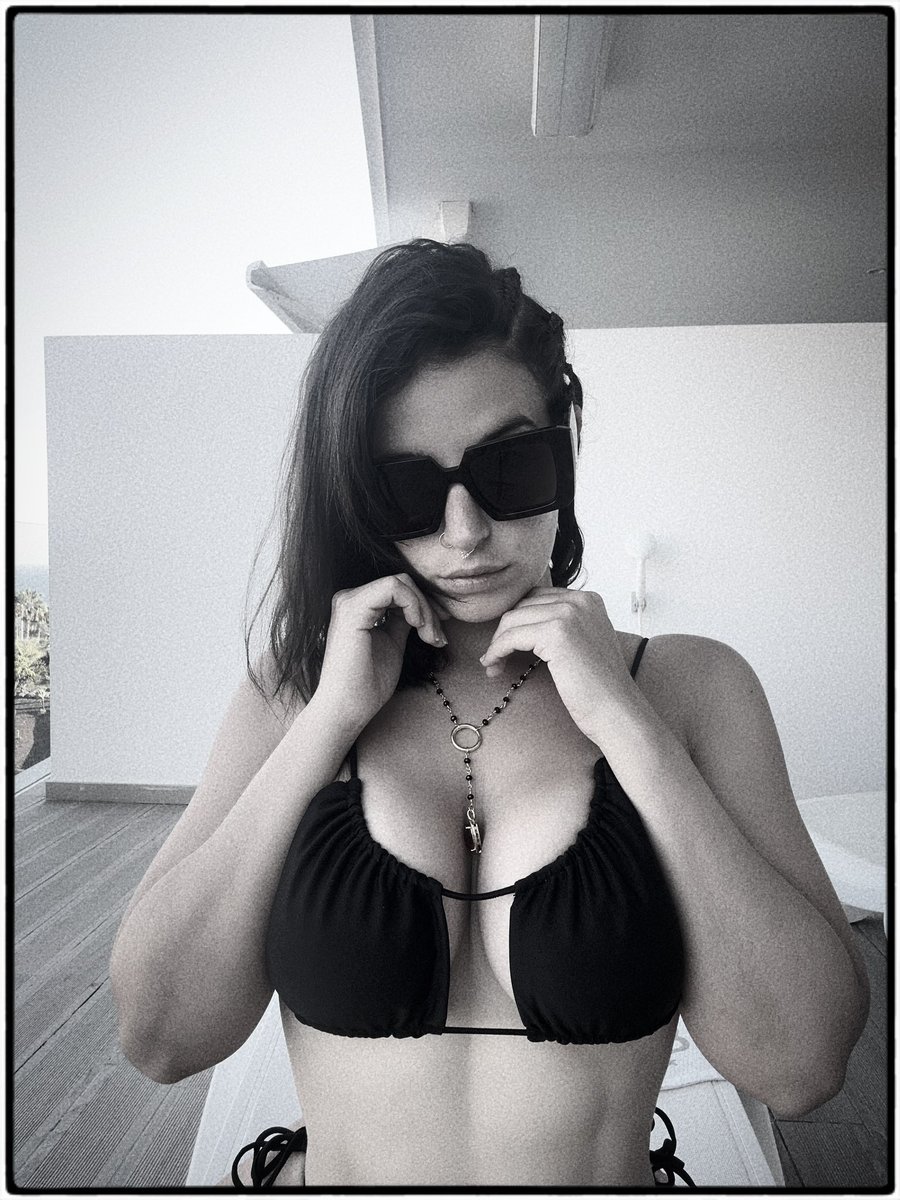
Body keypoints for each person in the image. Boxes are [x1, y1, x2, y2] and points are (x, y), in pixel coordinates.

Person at [110, 239, 869, 1189]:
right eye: (407, 490)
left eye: (508, 469)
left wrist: (626, 722)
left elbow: (803, 1067)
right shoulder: (294, 692)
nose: (466, 531)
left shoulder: (694, 689)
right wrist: (326, 724)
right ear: (355, 497)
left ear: (563, 453)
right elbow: (160, 1038)